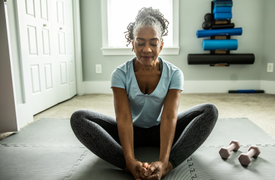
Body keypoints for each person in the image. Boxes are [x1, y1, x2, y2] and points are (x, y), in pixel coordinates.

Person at [70, 7, 218, 180]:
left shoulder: (175, 74)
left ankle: (170, 164)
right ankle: (129, 166)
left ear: (161, 45)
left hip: (161, 130)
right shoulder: (120, 74)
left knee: (210, 111)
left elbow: (169, 117)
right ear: (132, 44)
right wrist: (130, 159)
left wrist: (163, 161)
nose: (147, 49)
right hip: (130, 131)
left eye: (153, 43)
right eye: (140, 42)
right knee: (79, 119)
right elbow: (124, 118)